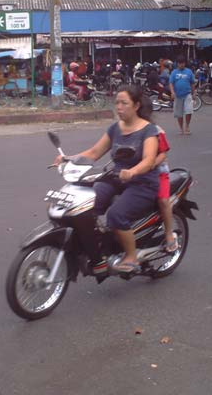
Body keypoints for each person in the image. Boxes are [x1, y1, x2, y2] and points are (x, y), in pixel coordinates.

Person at [54, 85, 159, 274]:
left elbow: (150, 160)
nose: (119, 107)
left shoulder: (148, 130)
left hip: (143, 182)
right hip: (116, 177)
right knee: (86, 205)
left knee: (116, 215)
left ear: (136, 106)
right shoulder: (115, 128)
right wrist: (68, 158)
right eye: (117, 102)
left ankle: (131, 255)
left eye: (124, 103)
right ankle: (100, 248)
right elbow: (94, 153)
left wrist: (133, 171)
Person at [154, 125, 178, 253]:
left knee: (163, 201)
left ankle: (169, 233)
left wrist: (149, 164)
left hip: (159, 173)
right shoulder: (121, 129)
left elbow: (163, 154)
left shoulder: (156, 130)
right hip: (136, 175)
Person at [169, 56, 196, 135]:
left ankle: (187, 126)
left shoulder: (189, 72)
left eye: (183, 63)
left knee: (189, 111)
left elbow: (192, 83)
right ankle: (181, 128)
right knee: (179, 113)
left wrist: (193, 93)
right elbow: (171, 83)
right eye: (180, 63)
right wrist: (172, 92)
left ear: (185, 63)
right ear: (177, 64)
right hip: (177, 95)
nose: (181, 65)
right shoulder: (174, 72)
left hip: (187, 94)